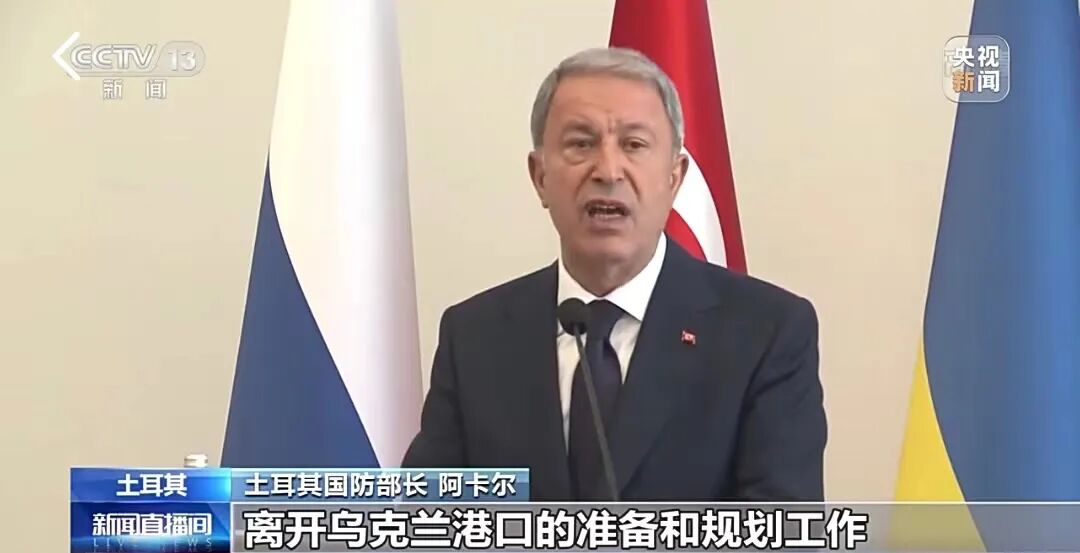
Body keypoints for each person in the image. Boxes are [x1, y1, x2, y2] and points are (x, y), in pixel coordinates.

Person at [402, 47, 826, 501]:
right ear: (540, 176)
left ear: (675, 177)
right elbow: (427, 516)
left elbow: (781, 526)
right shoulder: (475, 335)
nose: (607, 170)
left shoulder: (765, 332)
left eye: (634, 145)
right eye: (581, 144)